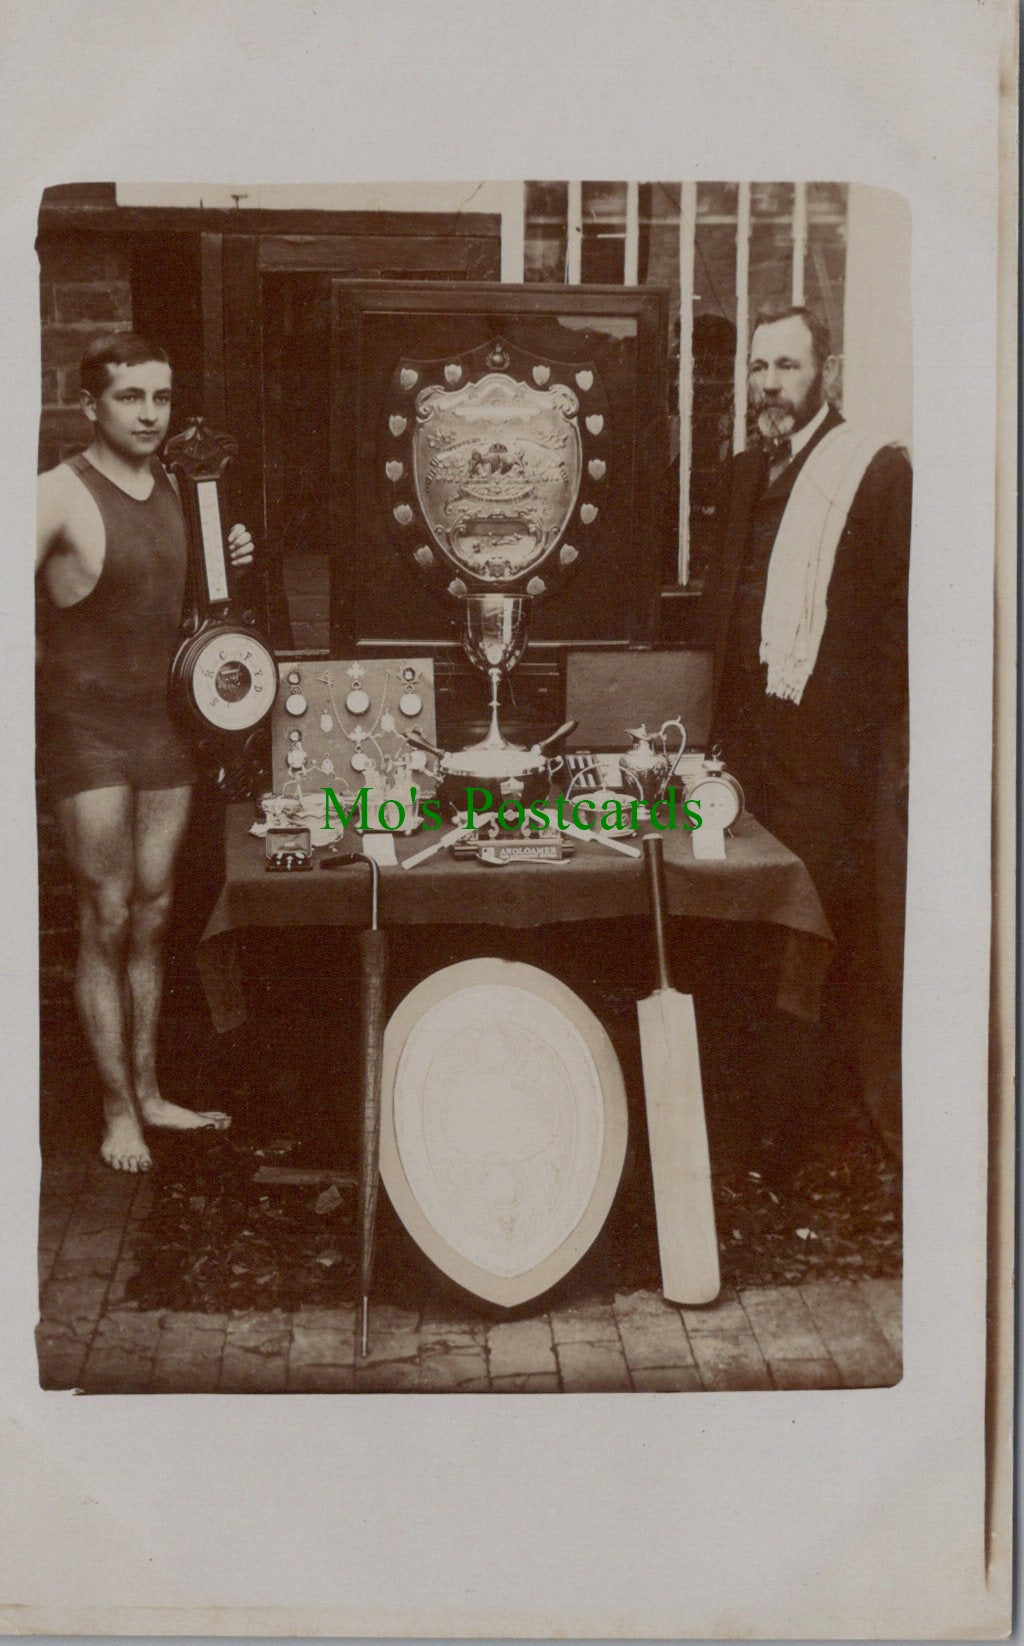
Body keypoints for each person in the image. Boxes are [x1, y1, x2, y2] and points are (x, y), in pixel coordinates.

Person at [36, 332, 256, 1172]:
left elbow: (184, 607)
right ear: (91, 402)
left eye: (161, 397)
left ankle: (154, 1091)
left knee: (156, 915)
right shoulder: (55, 494)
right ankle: (117, 1111)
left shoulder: (179, 485)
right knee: (108, 913)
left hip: (163, 728)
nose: (149, 413)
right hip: (83, 732)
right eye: (131, 397)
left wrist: (222, 558)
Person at [705, 304, 912, 1160]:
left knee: (814, 927)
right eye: (759, 368)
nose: (769, 385)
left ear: (825, 372)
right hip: (749, 740)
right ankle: (753, 1112)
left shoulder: (875, 475)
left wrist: (848, 731)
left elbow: (902, 627)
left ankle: (803, 1125)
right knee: (746, 920)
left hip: (825, 754)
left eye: (787, 368)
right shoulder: (746, 472)